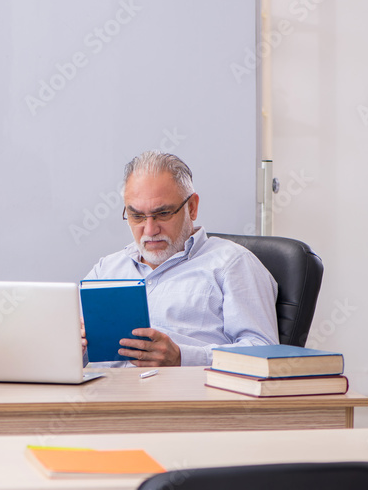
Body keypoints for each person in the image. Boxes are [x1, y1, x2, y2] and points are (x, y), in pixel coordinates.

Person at [84, 151, 278, 367]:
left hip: (186, 397)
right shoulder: (106, 269)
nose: (150, 229)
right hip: (104, 397)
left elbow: (264, 352)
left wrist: (182, 357)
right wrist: (74, 347)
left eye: (163, 213)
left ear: (192, 208)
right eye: (137, 216)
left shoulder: (232, 264)